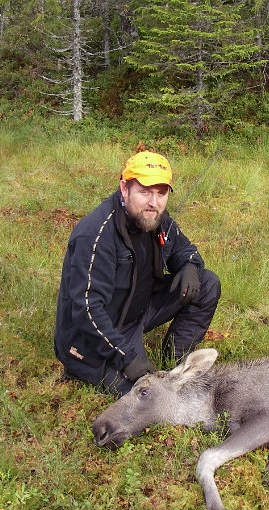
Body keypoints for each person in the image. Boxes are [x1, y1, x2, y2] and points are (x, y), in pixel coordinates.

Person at [54, 151, 221, 395]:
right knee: (149, 394)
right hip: (89, 339)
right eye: (145, 192)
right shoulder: (96, 236)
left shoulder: (155, 219)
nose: (154, 202)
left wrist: (190, 267)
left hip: (137, 313)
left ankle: (175, 360)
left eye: (161, 193)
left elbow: (186, 250)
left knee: (206, 283)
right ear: (125, 189)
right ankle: (83, 367)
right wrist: (126, 357)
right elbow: (86, 311)